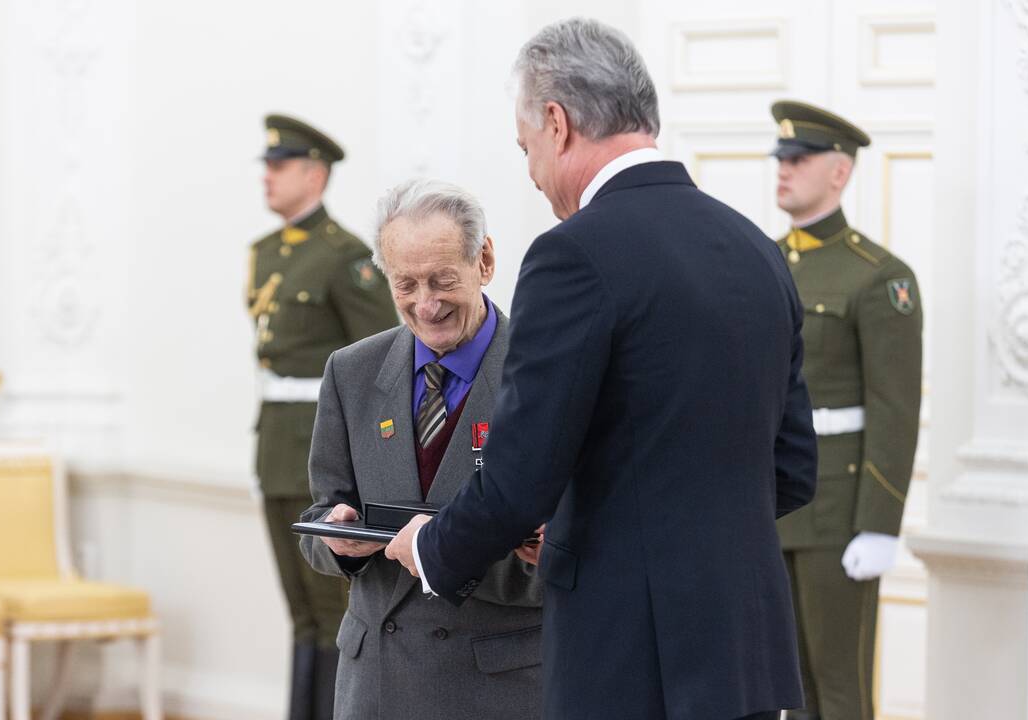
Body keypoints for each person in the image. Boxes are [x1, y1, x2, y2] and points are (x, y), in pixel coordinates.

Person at [385, 18, 818, 720]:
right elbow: (793, 468)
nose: (530, 170)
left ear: (556, 124)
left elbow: (522, 477)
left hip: (631, 661)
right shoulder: (758, 250)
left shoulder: (571, 256)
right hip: (747, 650)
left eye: (526, 147)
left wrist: (432, 547)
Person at [298, 179, 543, 720]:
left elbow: (576, 549)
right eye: (404, 284)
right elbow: (318, 521)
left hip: (501, 686)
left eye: (442, 280)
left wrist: (443, 556)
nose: (425, 305)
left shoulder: (546, 371)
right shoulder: (351, 371)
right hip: (378, 685)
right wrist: (338, 541)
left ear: (485, 260)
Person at [769, 100, 923, 720]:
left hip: (839, 512)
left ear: (839, 171)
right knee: (788, 693)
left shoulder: (880, 277)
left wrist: (880, 522)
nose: (782, 170)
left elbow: (896, 408)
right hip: (772, 502)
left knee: (841, 692)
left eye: (798, 159)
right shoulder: (763, 260)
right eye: (780, 158)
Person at [247, 113, 398, 720]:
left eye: (280, 166)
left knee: (332, 606)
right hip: (275, 442)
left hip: (320, 447)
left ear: (315, 174)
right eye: (267, 165)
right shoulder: (263, 254)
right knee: (301, 611)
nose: (267, 177)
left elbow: (378, 366)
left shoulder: (347, 257)